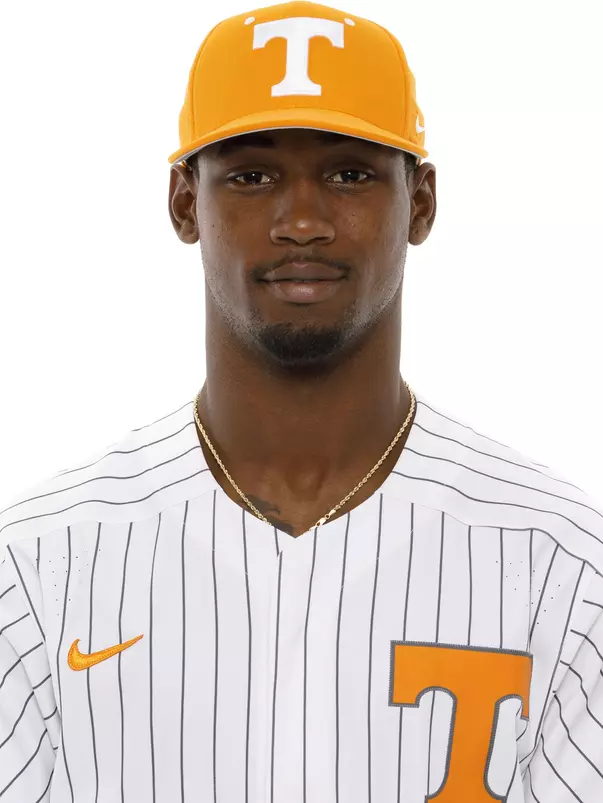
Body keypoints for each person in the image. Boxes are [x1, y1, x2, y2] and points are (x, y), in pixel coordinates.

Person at [1, 0, 602, 800]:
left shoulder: (560, 563)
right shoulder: (41, 565)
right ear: (184, 201)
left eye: (349, 173)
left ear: (420, 201)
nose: (303, 221)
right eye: (252, 175)